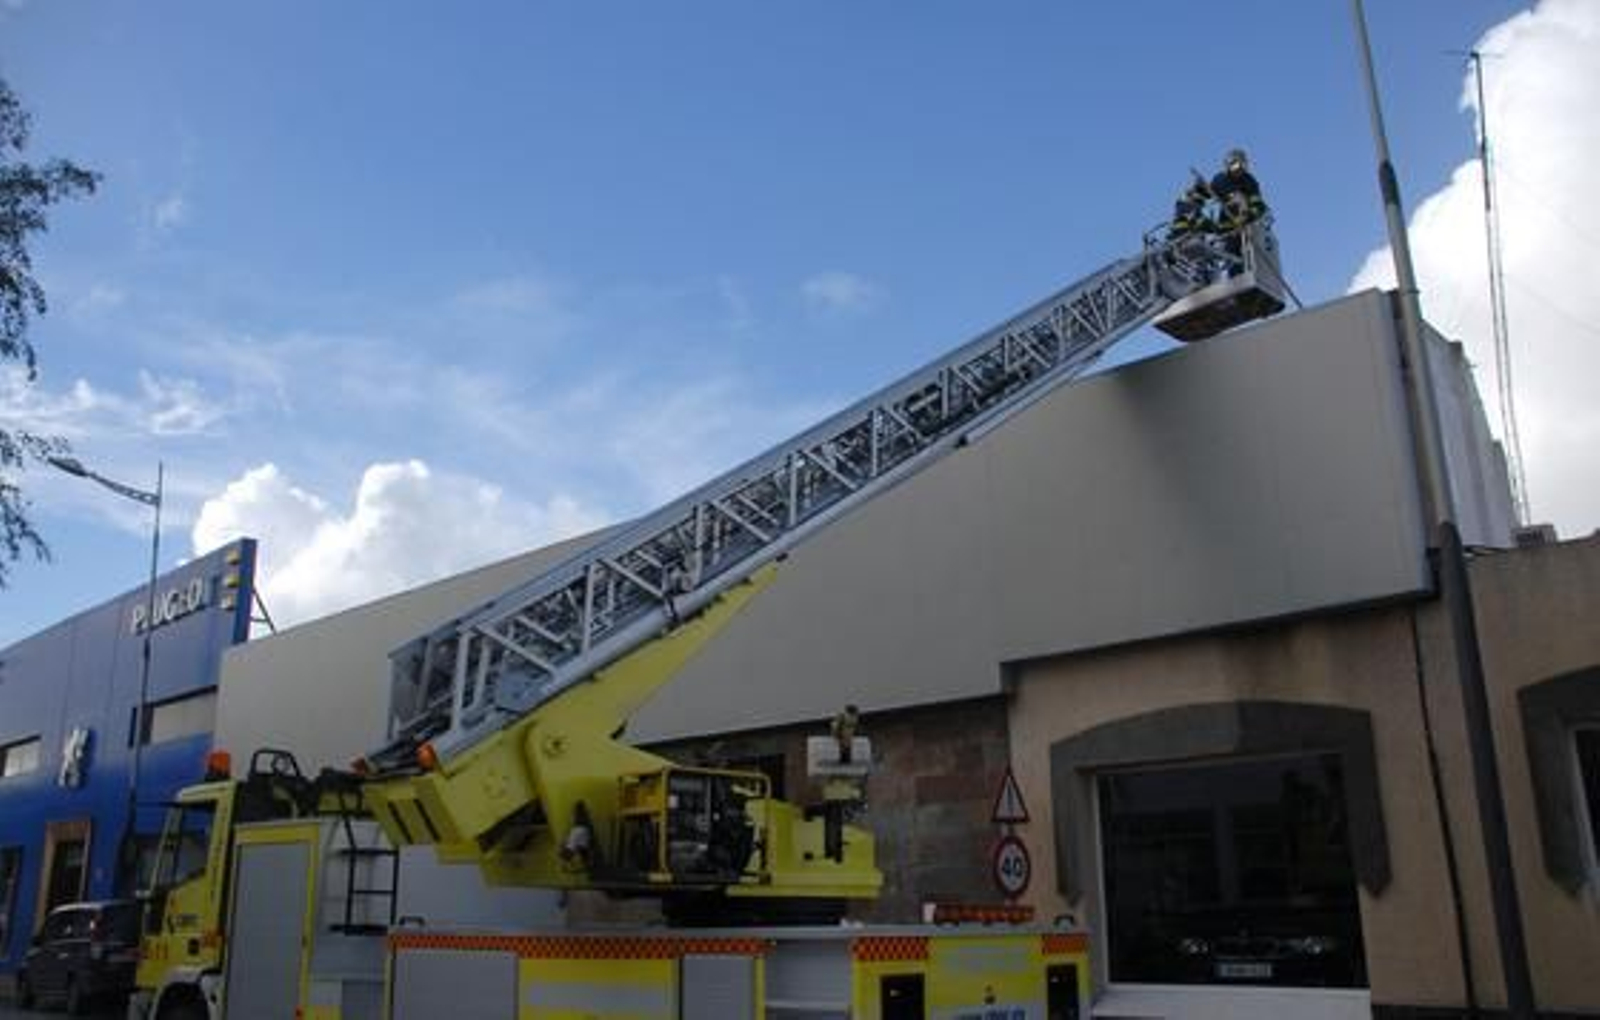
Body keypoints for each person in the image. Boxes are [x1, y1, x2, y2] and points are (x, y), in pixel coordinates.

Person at [1209, 147, 1267, 232]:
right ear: (1228, 166)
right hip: (1226, 223)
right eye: (1234, 166)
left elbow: (1259, 205)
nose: (1238, 170)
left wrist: (1248, 216)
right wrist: (1198, 192)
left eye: (1241, 165)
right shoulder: (1220, 179)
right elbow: (1208, 192)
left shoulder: (1250, 182)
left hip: (1246, 227)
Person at [1169, 175, 1214, 240]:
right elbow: (1196, 219)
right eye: (1201, 201)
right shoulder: (1184, 205)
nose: (1203, 203)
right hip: (1183, 236)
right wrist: (1210, 225)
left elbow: (1199, 218)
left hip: (1190, 236)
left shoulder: (1191, 207)